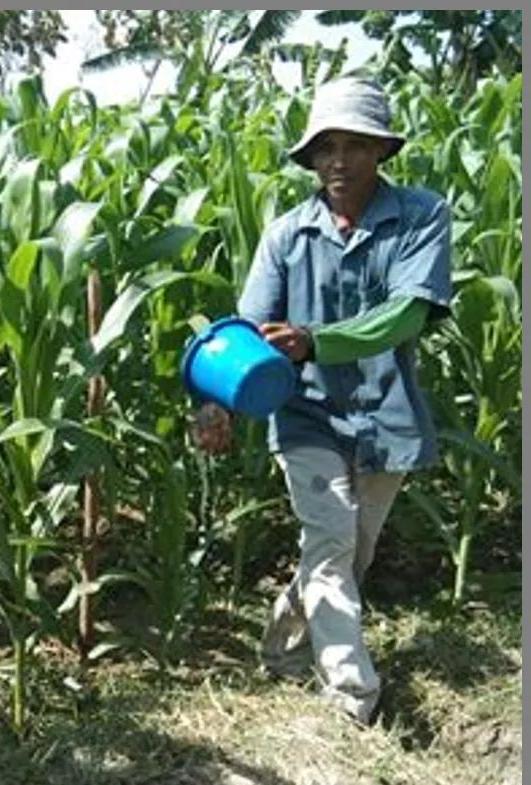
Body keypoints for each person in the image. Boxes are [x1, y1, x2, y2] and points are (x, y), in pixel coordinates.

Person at [193, 76, 452, 725]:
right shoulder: (287, 235)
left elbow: (406, 317)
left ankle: (281, 648)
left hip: (386, 414)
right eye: (326, 147)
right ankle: (350, 699)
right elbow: (244, 332)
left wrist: (315, 340)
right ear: (310, 156)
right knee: (332, 540)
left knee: (345, 553)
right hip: (304, 412)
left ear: (381, 151)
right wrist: (216, 403)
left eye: (355, 145)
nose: (339, 161)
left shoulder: (421, 217)